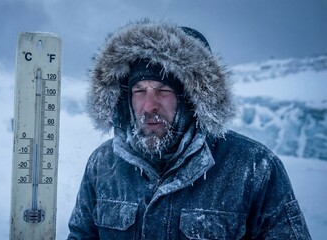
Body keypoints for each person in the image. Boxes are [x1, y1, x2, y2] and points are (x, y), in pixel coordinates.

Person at [68, 19, 311, 239]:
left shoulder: (255, 167)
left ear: (191, 100)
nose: (149, 105)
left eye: (164, 90)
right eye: (139, 91)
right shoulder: (103, 163)